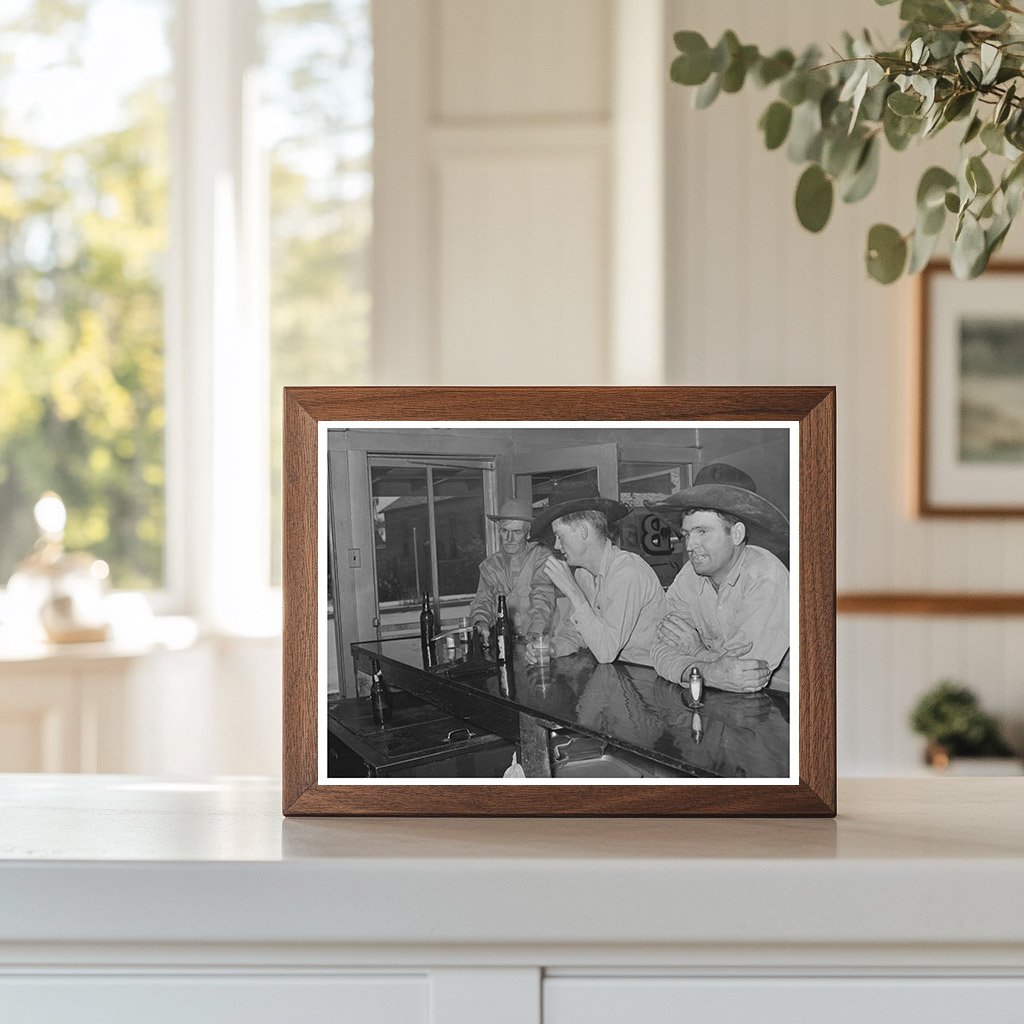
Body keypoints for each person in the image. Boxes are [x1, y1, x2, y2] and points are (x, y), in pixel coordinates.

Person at [647, 463, 790, 692]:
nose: (690, 546)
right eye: (687, 534)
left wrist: (696, 653)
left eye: (702, 532)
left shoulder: (766, 575)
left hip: (785, 706)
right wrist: (710, 672)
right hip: (720, 700)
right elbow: (658, 649)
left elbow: (744, 674)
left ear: (736, 534)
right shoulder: (689, 576)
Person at [528, 483, 666, 666]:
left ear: (584, 531)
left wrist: (571, 590)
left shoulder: (628, 573)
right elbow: (578, 631)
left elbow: (606, 652)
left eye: (560, 536)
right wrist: (551, 648)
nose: (556, 546)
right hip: (617, 676)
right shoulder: (583, 574)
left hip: (650, 680)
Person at [468, 498, 556, 641]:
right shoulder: (490, 566)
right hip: (505, 642)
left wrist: (536, 632)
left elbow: (543, 597)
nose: (509, 538)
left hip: (539, 642)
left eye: (516, 532)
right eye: (505, 531)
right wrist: (481, 621)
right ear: (499, 531)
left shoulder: (540, 557)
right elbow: (483, 600)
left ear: (528, 533)